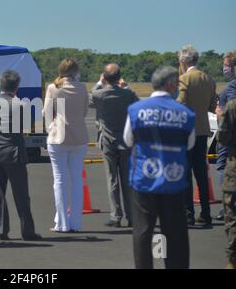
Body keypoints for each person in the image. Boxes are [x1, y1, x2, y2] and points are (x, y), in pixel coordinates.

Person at [124, 66, 196, 269]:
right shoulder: (185, 112)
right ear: (171, 84)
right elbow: (189, 144)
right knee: (175, 234)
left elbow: (128, 140)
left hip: (144, 181)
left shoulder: (136, 109)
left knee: (143, 231)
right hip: (174, 181)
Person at [0, 70, 42, 241]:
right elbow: (27, 126)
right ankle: (27, 230)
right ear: (16, 87)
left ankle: (1, 229)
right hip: (13, 152)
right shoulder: (20, 105)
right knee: (21, 194)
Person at [43, 59, 89, 233]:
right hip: (78, 137)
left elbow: (47, 113)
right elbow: (85, 111)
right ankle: (75, 222)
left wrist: (51, 127)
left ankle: (61, 222)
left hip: (58, 137)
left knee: (60, 180)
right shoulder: (82, 87)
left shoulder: (53, 88)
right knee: (77, 180)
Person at [90, 63, 139, 228]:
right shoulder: (128, 94)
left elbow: (89, 99)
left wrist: (99, 83)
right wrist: (125, 86)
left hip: (107, 140)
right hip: (125, 141)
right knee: (127, 179)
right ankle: (131, 215)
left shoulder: (99, 94)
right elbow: (138, 104)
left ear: (104, 77)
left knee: (112, 178)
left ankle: (115, 215)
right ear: (119, 78)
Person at [177, 45, 217, 226]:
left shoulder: (184, 79)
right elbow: (211, 106)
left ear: (184, 61)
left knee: (185, 174)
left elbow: (180, 104)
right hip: (202, 130)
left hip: (186, 131)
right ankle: (206, 212)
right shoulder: (208, 78)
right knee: (201, 173)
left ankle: (188, 214)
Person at [215, 50, 236, 221]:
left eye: (228, 66)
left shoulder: (231, 88)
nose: (225, 69)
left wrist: (219, 112)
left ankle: (226, 205)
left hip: (230, 136)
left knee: (221, 164)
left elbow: (225, 114)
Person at [217, 99, 236, 269]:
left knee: (232, 217)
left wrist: (220, 117)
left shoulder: (232, 106)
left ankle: (233, 259)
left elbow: (222, 137)